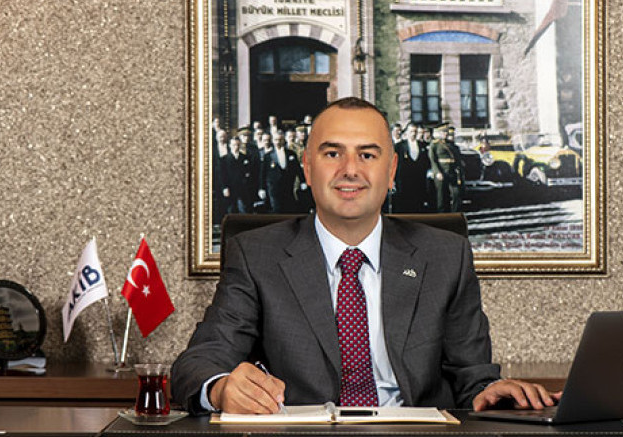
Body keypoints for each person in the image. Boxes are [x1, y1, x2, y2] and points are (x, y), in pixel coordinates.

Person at [172, 97, 560, 416]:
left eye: (368, 155)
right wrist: (220, 389)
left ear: (391, 171)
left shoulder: (445, 255)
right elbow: (197, 364)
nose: (350, 170)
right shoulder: (257, 255)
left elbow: (472, 378)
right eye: (332, 153)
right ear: (307, 168)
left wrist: (489, 390)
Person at [393, 123, 431, 213]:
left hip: (418, 180)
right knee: (404, 205)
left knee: (418, 204)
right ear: (406, 132)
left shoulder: (423, 145)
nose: (413, 134)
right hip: (404, 180)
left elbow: (426, 162)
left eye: (415, 131)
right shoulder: (399, 146)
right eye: (411, 131)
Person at [429, 124, 463, 212]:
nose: (445, 134)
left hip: (451, 172)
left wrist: (458, 171)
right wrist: (437, 172)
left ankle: (455, 213)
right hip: (441, 171)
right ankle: (442, 214)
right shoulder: (435, 144)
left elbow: (457, 159)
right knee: (441, 196)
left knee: (456, 194)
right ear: (439, 133)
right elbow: (433, 160)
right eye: (443, 132)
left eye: (446, 132)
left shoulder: (451, 145)